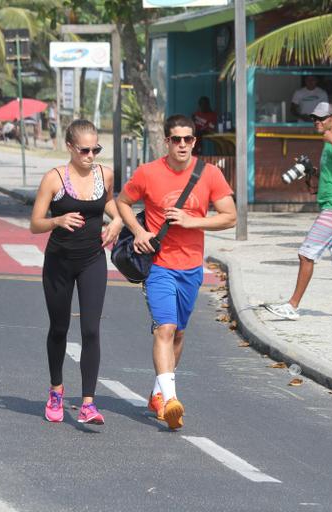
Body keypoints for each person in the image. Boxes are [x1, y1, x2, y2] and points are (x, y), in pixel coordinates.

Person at [116, 115, 237, 430]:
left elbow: (230, 217)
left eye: (188, 139)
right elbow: (123, 202)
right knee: (165, 330)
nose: (182, 144)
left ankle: (158, 393)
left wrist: (192, 220)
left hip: (191, 267)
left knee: (179, 333)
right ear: (166, 141)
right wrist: (138, 233)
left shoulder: (210, 174)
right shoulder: (148, 173)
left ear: (194, 141)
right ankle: (171, 400)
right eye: (176, 139)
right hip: (159, 266)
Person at [30, 119, 123, 425]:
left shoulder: (105, 174)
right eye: (84, 149)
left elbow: (111, 203)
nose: (90, 155)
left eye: (95, 148)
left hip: (92, 261)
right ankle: (56, 390)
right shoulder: (53, 179)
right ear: (69, 147)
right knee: (59, 328)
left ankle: (88, 403)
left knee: (91, 330)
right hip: (59, 262)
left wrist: (118, 222)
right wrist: (57, 221)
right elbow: (35, 223)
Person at [265, 102, 332, 323]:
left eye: (322, 118)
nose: (317, 122)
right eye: (315, 118)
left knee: (306, 254)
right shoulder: (329, 144)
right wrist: (311, 170)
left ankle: (292, 306)